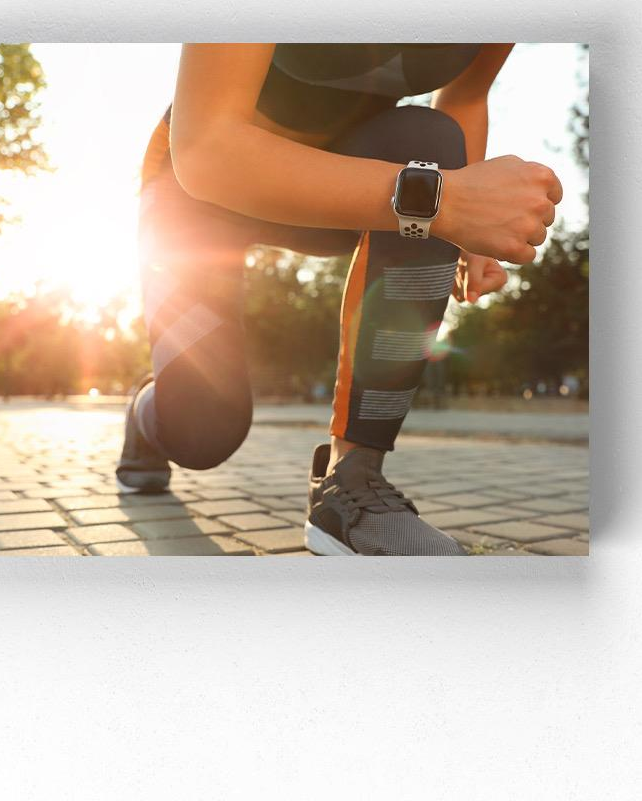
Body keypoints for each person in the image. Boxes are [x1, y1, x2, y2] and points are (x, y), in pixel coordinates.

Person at [117, 44, 562, 555]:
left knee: (427, 139)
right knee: (200, 434)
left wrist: (465, 228)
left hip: (345, 178)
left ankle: (350, 483)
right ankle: (147, 413)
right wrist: (445, 200)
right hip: (194, 188)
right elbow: (206, 151)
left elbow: (463, 100)